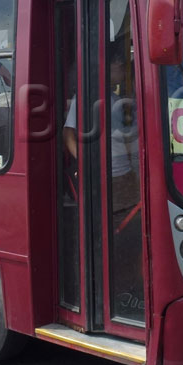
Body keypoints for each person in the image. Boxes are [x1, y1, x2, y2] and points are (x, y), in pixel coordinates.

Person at [63, 44, 143, 319]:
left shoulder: (118, 99)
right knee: (115, 236)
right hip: (106, 178)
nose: (123, 70)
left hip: (127, 176)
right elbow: (69, 135)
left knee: (132, 235)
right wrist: (86, 164)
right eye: (119, 65)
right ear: (106, 68)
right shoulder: (87, 97)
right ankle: (116, 291)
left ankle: (129, 287)